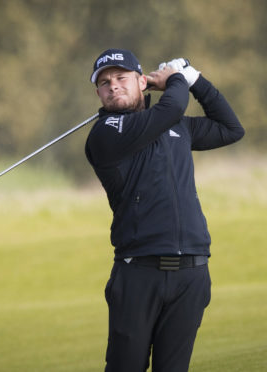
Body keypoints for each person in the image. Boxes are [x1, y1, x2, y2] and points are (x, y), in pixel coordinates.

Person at [85, 48, 245, 371]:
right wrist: (176, 78)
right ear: (99, 94)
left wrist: (196, 80)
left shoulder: (178, 128)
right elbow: (172, 106)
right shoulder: (106, 132)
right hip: (138, 272)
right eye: (104, 83)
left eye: (120, 77)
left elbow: (231, 128)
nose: (112, 86)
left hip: (191, 270)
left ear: (142, 82)